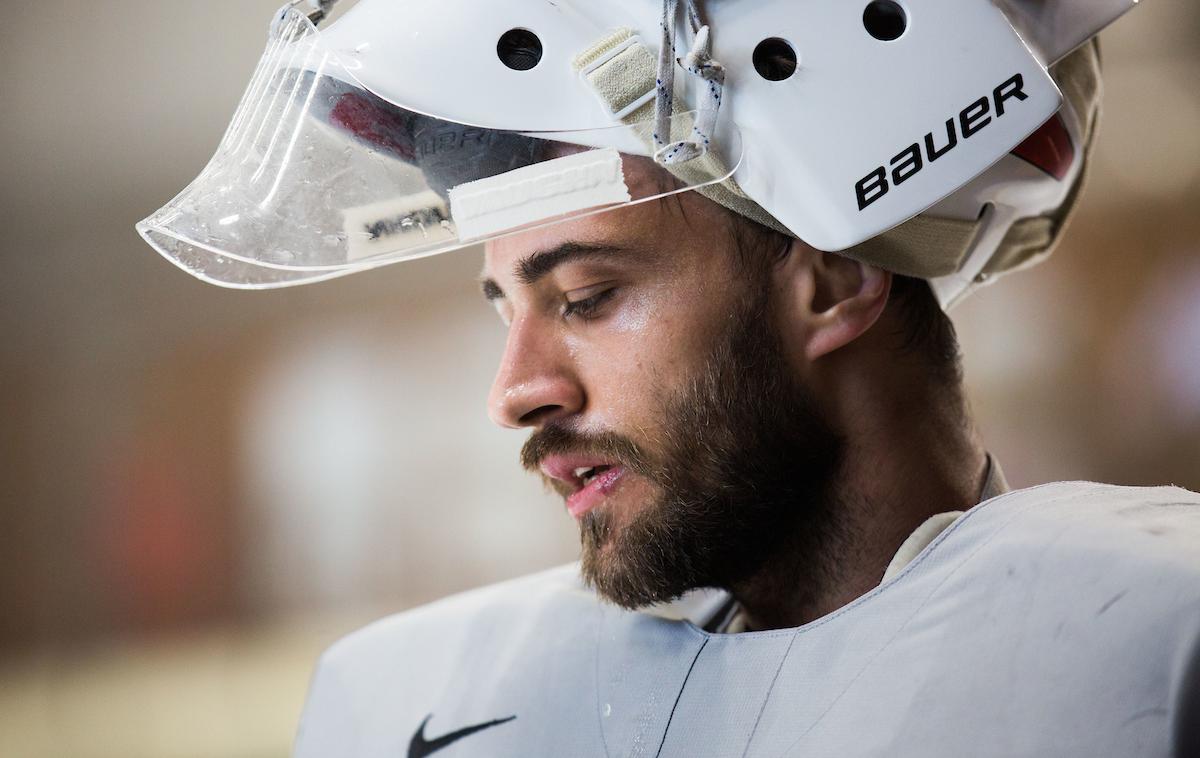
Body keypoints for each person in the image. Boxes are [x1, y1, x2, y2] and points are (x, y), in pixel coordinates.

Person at [138, 1, 1200, 755]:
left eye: (588, 296)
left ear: (831, 280)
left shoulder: (1152, 633)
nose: (517, 390)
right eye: (504, 306)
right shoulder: (423, 708)